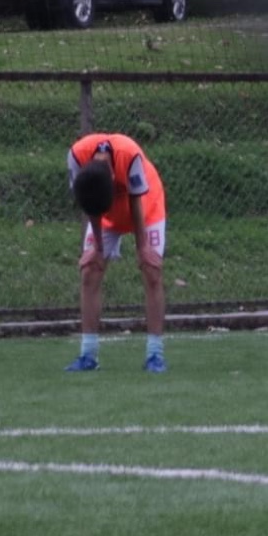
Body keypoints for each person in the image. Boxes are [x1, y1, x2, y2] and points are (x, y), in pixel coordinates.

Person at [65, 133, 169, 373]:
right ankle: (88, 355)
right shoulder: (76, 156)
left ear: (113, 177)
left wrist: (143, 247)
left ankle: (155, 355)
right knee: (90, 271)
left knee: (151, 271)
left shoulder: (128, 154)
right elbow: (89, 203)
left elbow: (135, 201)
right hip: (106, 213)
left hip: (147, 207)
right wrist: (98, 249)